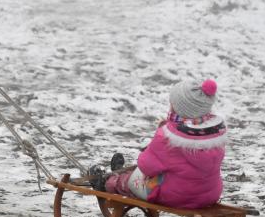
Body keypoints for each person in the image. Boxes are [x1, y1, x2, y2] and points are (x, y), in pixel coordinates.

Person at [91, 79, 227, 209]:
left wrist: (157, 138)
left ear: (178, 108)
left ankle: (108, 182)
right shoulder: (215, 134)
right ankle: (121, 172)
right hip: (209, 195)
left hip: (176, 197)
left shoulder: (168, 137)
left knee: (133, 181)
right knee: (165, 171)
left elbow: (146, 166)